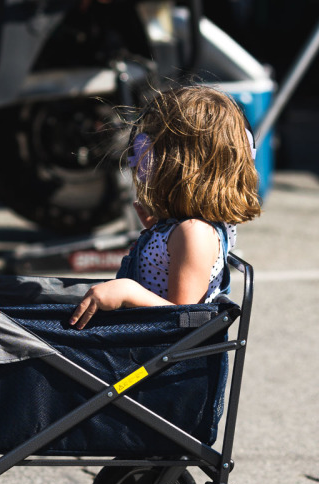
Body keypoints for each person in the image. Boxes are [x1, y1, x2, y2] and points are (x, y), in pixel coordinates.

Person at [70, 85, 262, 328]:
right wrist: (158, 230)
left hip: (158, 360)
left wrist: (128, 293)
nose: (141, 152)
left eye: (149, 144)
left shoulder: (195, 234)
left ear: (176, 165)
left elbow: (183, 319)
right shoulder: (183, 229)